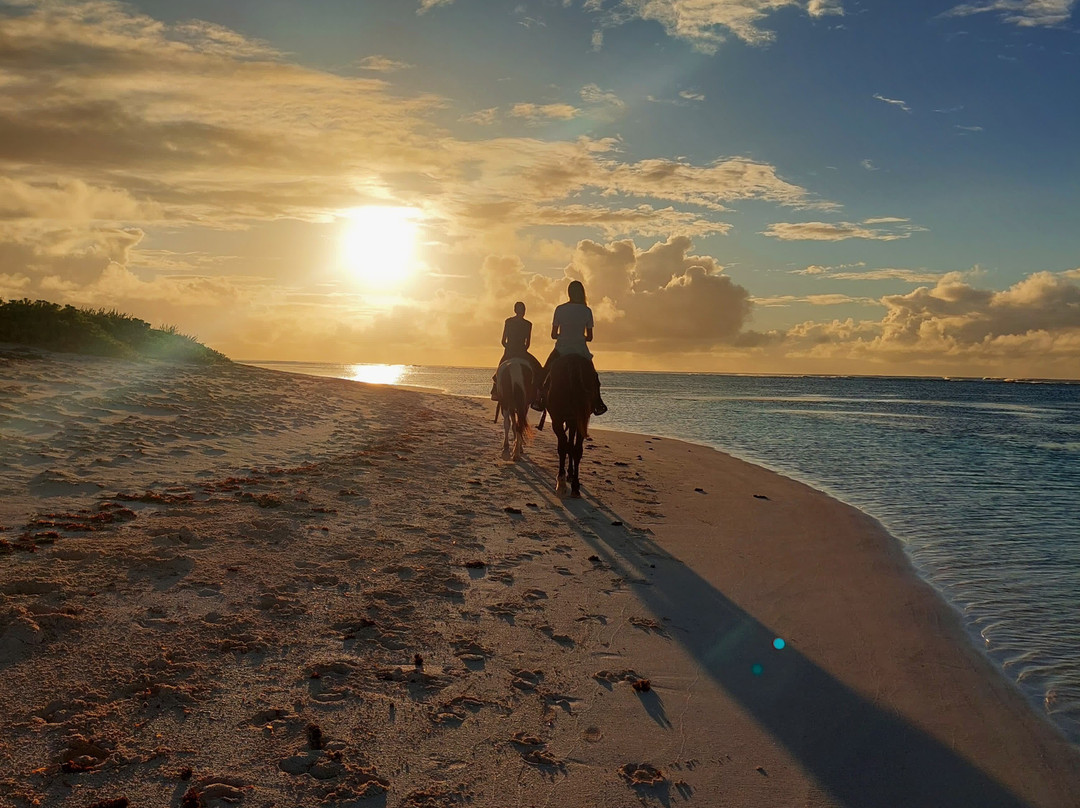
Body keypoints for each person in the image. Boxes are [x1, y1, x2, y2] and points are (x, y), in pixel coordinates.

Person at [539, 280, 607, 416]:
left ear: (569, 293)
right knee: (594, 378)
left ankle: (539, 400)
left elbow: (553, 335)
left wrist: (564, 336)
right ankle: (598, 403)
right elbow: (590, 337)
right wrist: (578, 337)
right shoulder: (587, 310)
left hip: (561, 350)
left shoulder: (560, 309)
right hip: (581, 350)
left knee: (544, 375)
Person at [490, 302, 544, 400]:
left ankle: (495, 391)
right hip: (522, 352)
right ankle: (538, 393)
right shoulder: (528, 324)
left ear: (515, 310)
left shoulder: (509, 322)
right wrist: (521, 349)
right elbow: (527, 344)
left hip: (509, 352)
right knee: (538, 369)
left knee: (498, 372)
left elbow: (503, 341)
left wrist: (509, 348)